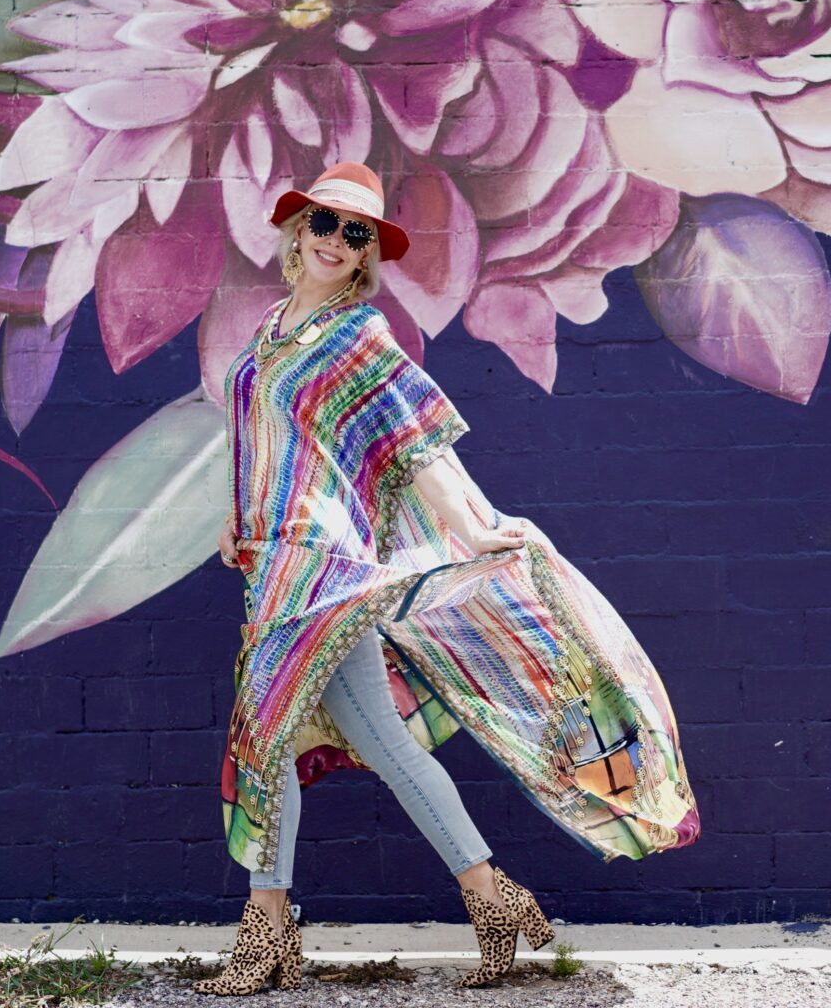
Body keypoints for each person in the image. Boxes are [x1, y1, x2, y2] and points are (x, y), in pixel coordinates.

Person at [194, 162, 700, 997]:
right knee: (373, 742)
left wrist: (474, 530)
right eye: (324, 223)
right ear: (298, 231)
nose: (335, 241)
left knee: (267, 735)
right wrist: (236, 515)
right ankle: (492, 896)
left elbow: (416, 446)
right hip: (270, 558)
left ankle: (267, 932)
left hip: (326, 566)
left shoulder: (360, 336)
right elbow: (262, 437)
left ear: (367, 258)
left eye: (355, 233)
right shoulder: (273, 324)